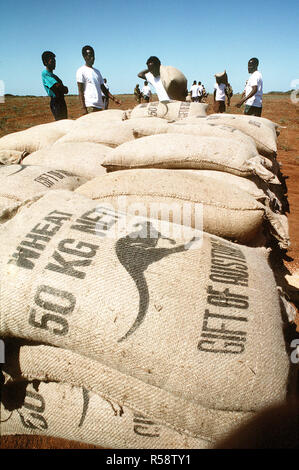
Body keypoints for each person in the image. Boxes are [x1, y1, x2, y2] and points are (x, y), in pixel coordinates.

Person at [76, 45, 121, 115]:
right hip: (90, 106)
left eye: (93, 55)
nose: (93, 58)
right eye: (90, 55)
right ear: (84, 57)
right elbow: (80, 91)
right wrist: (83, 108)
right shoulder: (81, 71)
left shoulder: (97, 72)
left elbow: (104, 89)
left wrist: (114, 99)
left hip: (99, 106)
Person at [41, 51, 68, 121]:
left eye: (55, 61)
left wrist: (62, 88)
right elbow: (56, 86)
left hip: (61, 100)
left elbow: (64, 90)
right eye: (52, 61)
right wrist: (62, 88)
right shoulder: (45, 74)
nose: (54, 63)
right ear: (45, 63)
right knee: (60, 122)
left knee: (64, 121)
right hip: (56, 102)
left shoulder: (55, 76)